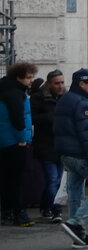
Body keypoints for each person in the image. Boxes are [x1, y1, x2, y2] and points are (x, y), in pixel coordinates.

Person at [54, 68, 88, 247]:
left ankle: (79, 235)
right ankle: (75, 223)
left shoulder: (64, 100)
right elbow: (87, 134)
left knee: (76, 192)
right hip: (81, 154)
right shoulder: (81, 103)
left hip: (67, 154)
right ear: (82, 84)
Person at [0, 60, 37, 227]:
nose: (31, 81)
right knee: (17, 179)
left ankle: (6, 211)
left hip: (5, 140)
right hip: (15, 142)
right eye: (28, 77)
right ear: (18, 77)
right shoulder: (15, 93)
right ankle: (19, 213)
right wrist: (23, 139)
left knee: (7, 179)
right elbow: (17, 118)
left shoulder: (5, 88)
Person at [31, 68, 66, 223]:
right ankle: (55, 209)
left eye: (62, 82)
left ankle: (47, 207)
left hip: (60, 145)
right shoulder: (39, 98)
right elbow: (31, 118)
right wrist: (50, 117)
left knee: (57, 180)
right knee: (53, 179)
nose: (60, 86)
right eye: (56, 83)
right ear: (49, 84)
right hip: (45, 145)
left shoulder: (65, 97)